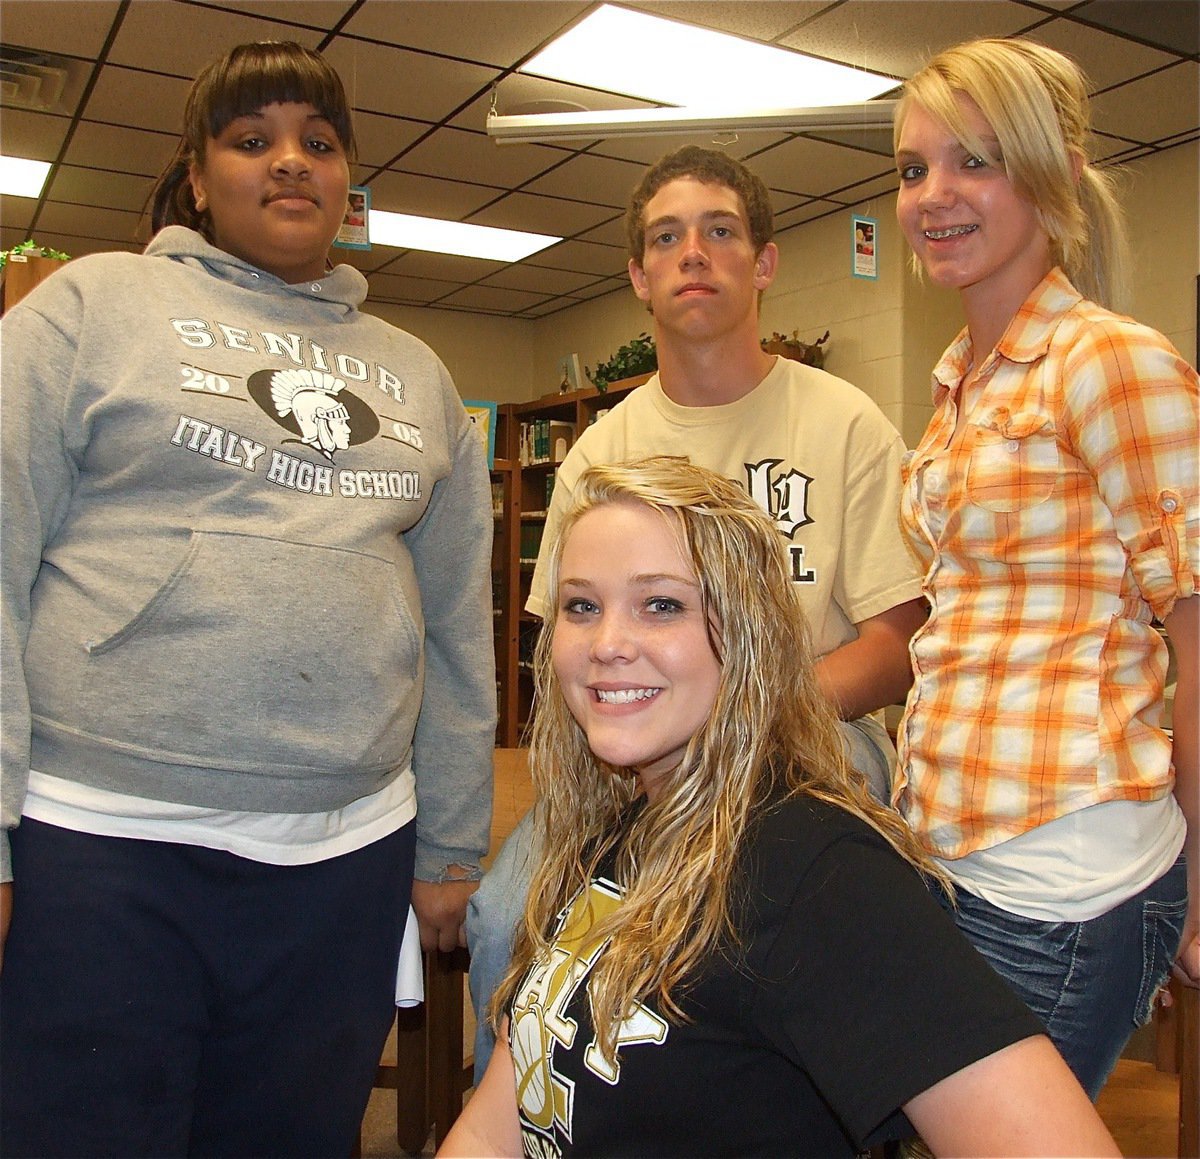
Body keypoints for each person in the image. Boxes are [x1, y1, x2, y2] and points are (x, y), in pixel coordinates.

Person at [0, 41, 495, 1157]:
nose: (290, 162)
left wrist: (452, 842)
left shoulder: (413, 369)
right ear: (196, 174)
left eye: (319, 144)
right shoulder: (92, 304)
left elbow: (462, 626)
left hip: (345, 852)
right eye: (251, 138)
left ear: (347, 183)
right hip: (102, 836)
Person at [439, 456, 1119, 1158]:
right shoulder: (623, 831)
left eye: (662, 604)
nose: (607, 643)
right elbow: (497, 1128)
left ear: (748, 636)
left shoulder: (816, 870)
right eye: (582, 605)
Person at [466, 145, 928, 1075]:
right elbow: (560, 639)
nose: (693, 253)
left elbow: (896, 645)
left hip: (811, 742)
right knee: (505, 912)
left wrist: (744, 711)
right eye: (666, 238)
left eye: (720, 231)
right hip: (629, 754)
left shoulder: (847, 425)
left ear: (762, 263)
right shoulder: (603, 450)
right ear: (638, 275)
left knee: (747, 914)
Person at [892, 36, 1197, 1099]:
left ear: (1055, 171)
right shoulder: (960, 380)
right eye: (912, 167)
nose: (934, 194)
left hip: (1068, 865)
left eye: (976, 161)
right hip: (958, 852)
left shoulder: (1110, 360)